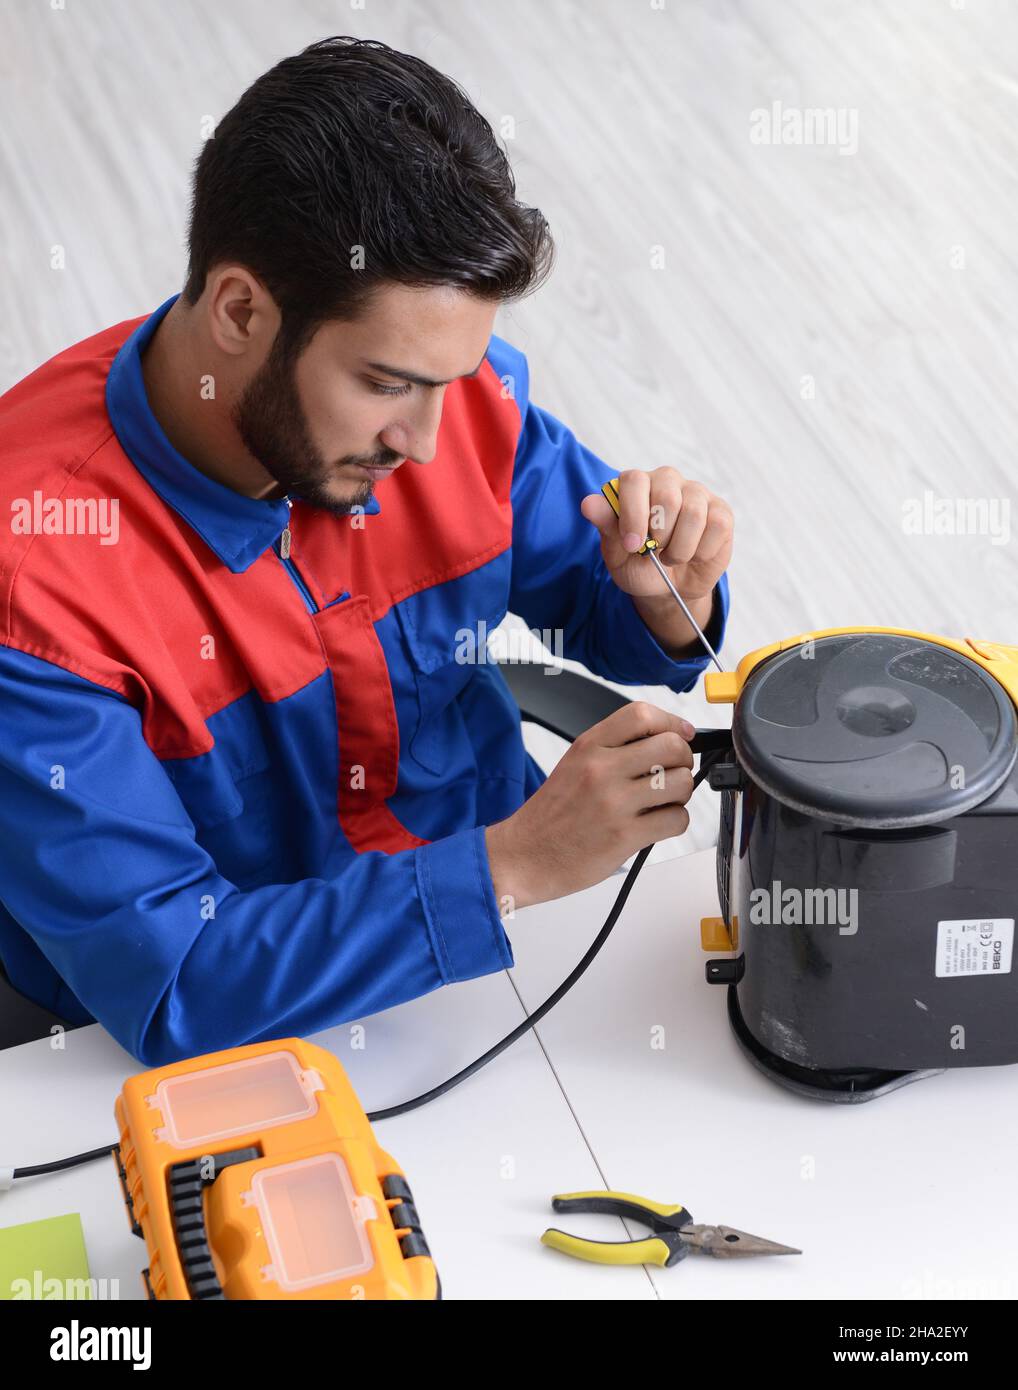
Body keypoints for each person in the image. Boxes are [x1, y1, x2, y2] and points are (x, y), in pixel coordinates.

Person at [0, 36, 732, 1065]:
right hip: (255, 1043)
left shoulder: (450, 395)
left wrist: (670, 593)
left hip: (507, 963)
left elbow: (629, 619)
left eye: (454, 376)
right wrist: (512, 865)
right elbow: (174, 982)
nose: (428, 441)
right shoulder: (33, 591)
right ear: (241, 311)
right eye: (387, 383)